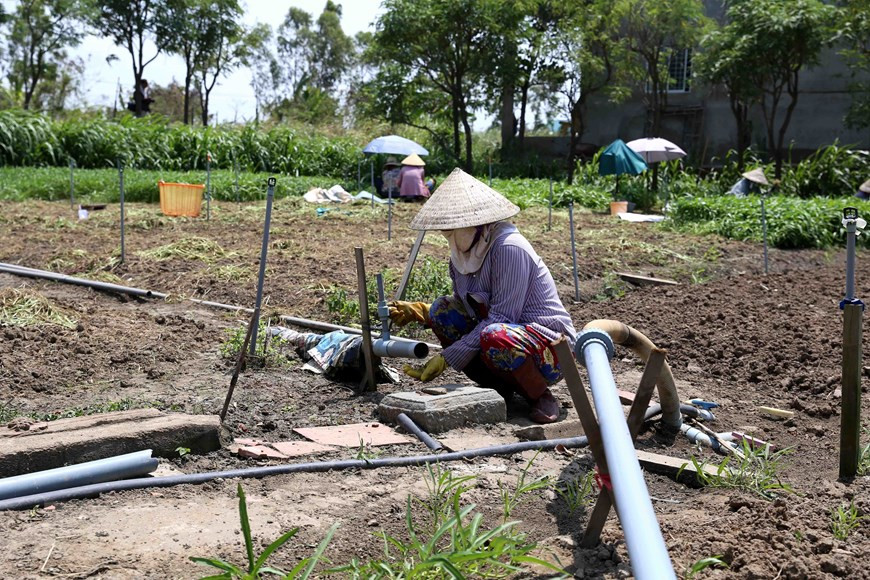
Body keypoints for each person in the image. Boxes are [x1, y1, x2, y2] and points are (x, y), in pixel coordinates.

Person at [388, 168, 577, 424]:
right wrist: (424, 313)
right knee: (442, 310)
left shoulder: (509, 248)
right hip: (501, 333)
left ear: (476, 225)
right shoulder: (461, 258)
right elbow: (464, 309)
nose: (449, 237)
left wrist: (448, 356)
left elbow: (503, 316)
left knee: (495, 335)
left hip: (547, 345)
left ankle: (540, 395)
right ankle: (501, 388)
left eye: (454, 229)